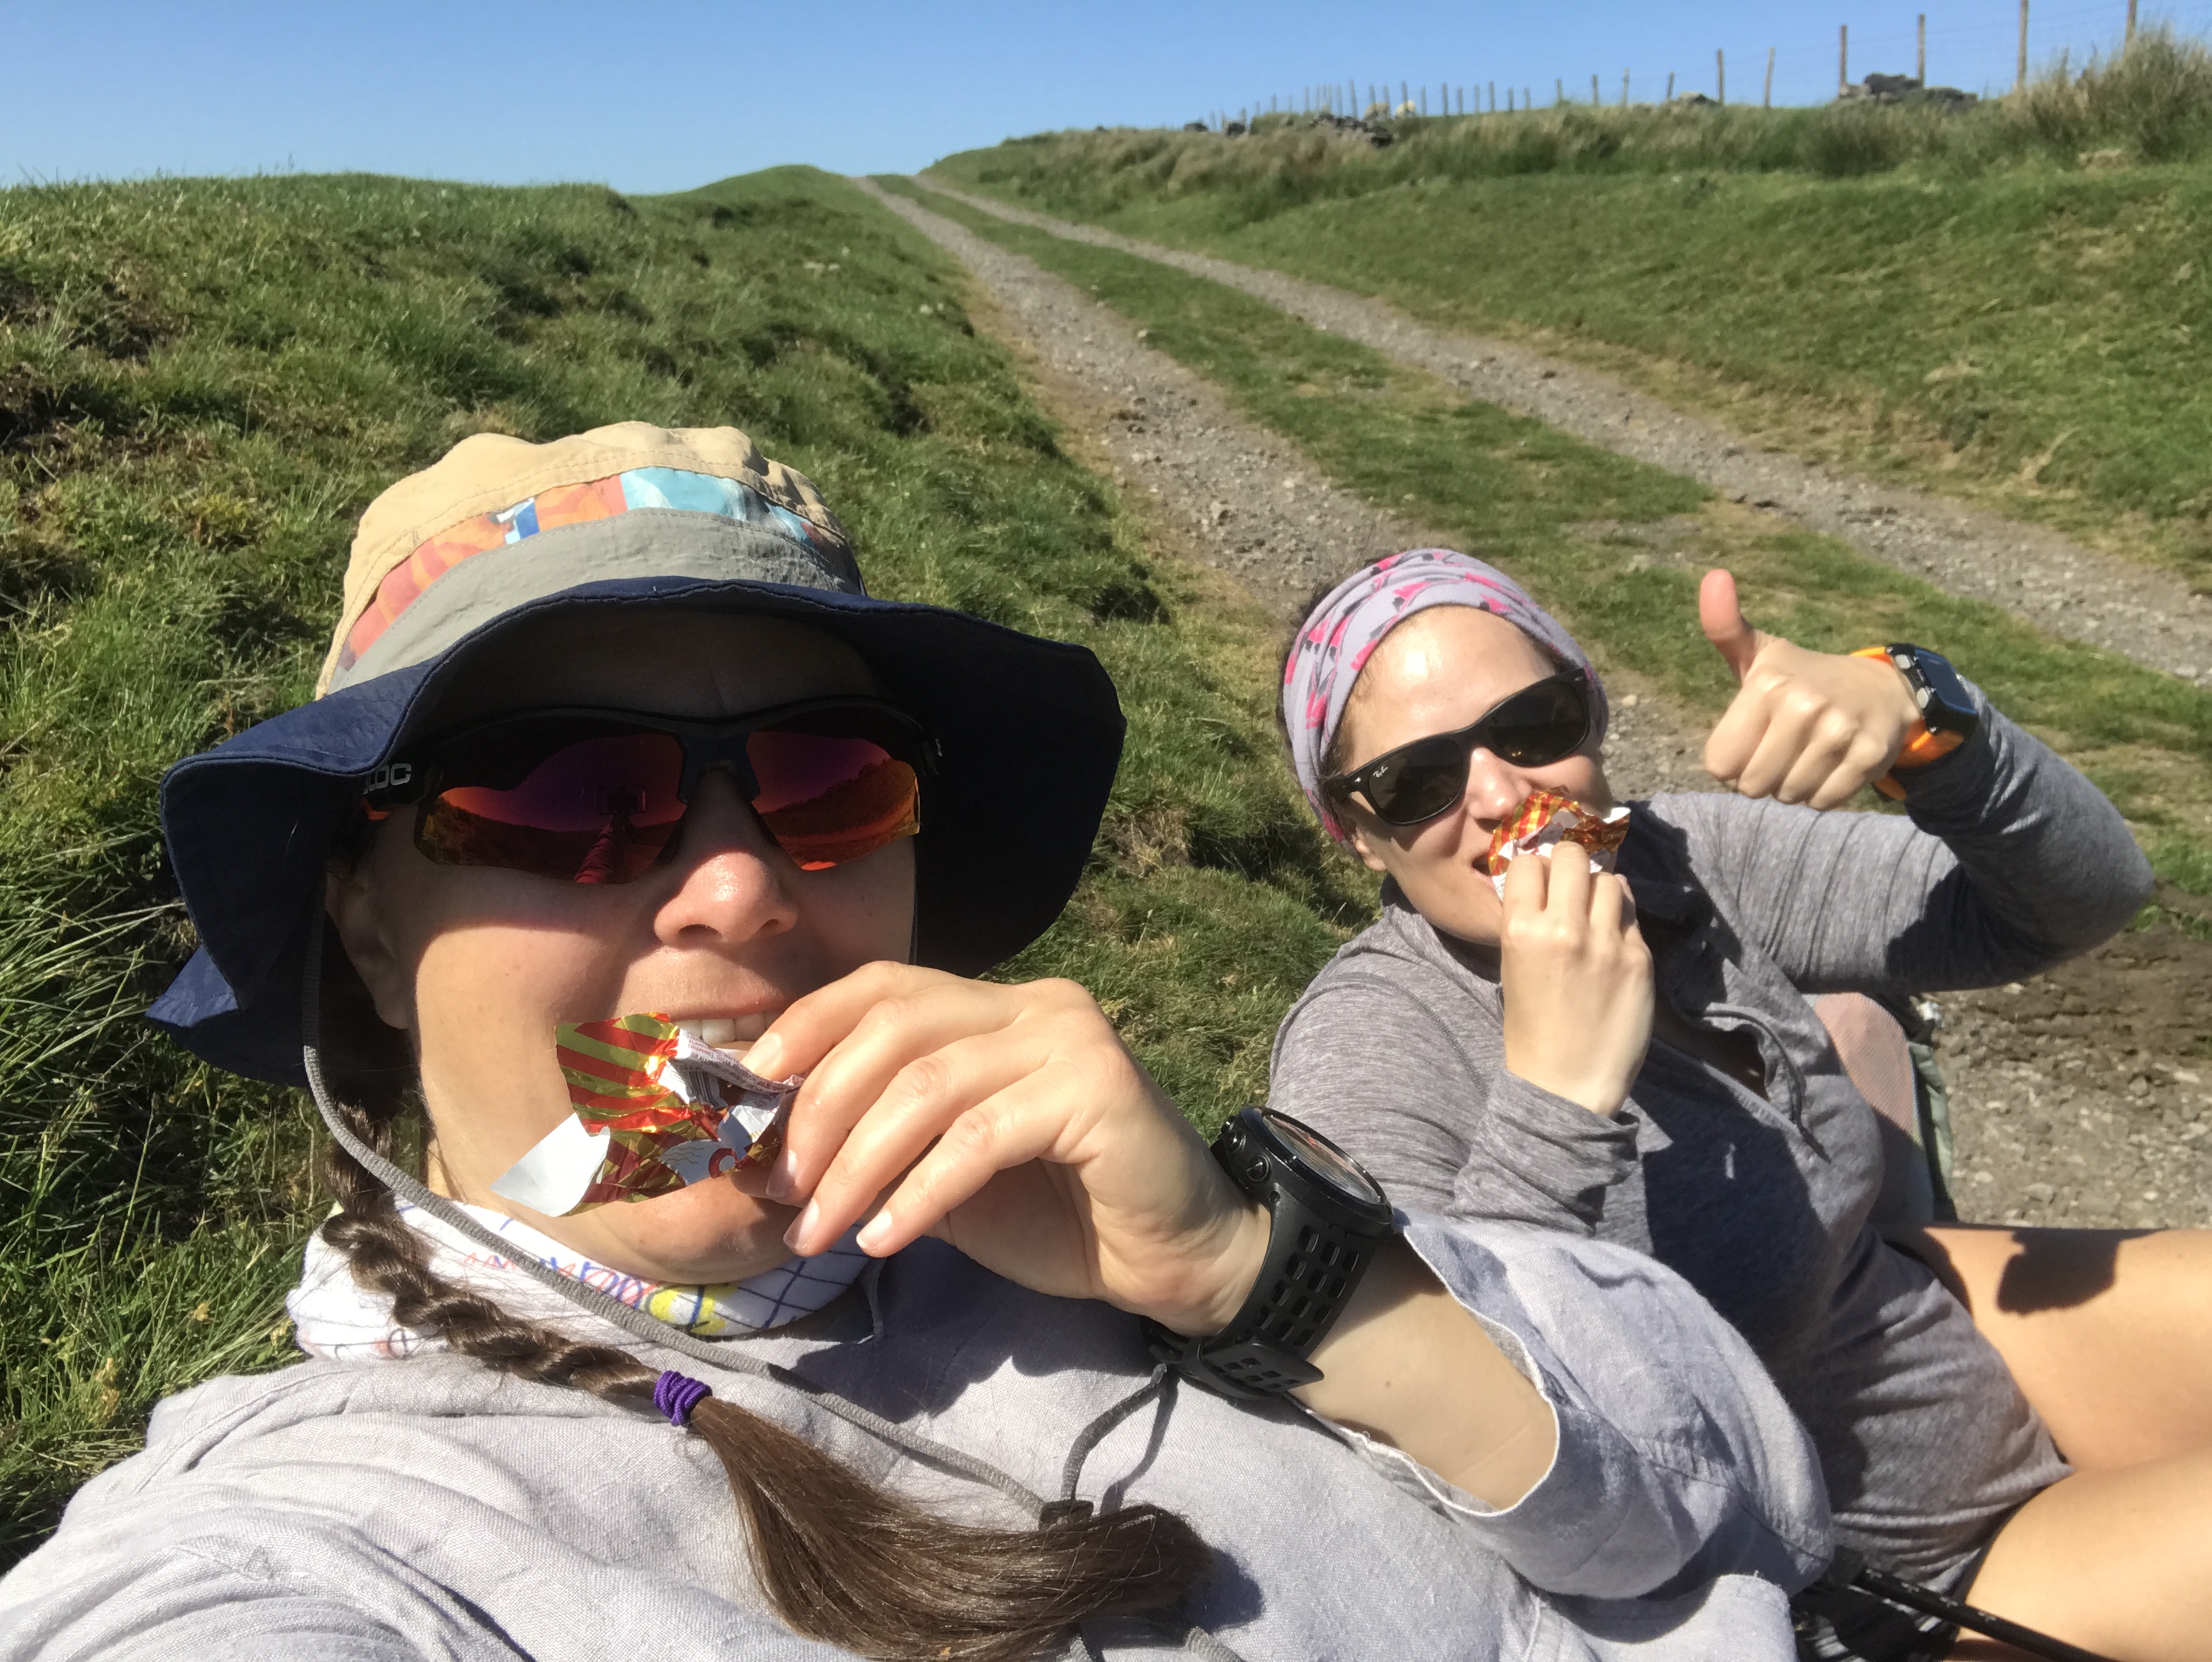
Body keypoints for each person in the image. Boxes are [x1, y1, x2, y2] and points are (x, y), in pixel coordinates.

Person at [0, 428, 1830, 1662]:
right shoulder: (326, 1535)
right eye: (565, 795)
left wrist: (1252, 1270)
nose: (733, 884)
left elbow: (1731, 1476)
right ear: (368, 917)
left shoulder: (1068, 1216)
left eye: (820, 777)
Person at [1267, 548, 2212, 1662]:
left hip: (1948, 1349)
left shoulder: (1677, 859)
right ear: (1357, 833)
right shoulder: (1372, 1049)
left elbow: (2074, 905)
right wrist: (1559, 1096)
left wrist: (1927, 714)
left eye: (1534, 724)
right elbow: (1451, 1446)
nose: (1502, 796)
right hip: (1883, 1578)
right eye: (1418, 784)